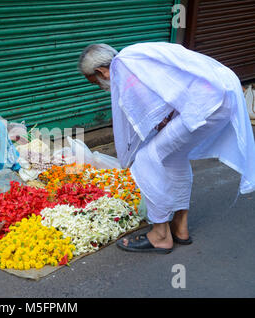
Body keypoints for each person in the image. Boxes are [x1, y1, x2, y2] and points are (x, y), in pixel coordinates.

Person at [78, 42, 255, 254]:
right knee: (173, 158)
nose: (101, 87)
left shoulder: (124, 66)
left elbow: (148, 106)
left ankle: (160, 235)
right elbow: (167, 87)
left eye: (96, 82)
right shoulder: (132, 56)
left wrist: (158, 123)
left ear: (101, 71)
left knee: (145, 159)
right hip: (220, 95)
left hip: (206, 102)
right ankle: (180, 227)